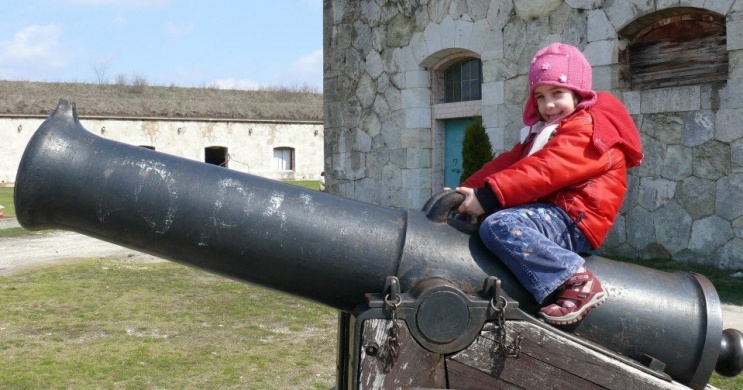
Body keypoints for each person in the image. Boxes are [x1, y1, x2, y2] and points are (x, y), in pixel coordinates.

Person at [455, 42, 643, 325]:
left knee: (500, 225)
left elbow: (548, 169)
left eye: (558, 93)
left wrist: (490, 195)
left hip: (575, 219)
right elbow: (509, 162)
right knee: (491, 222)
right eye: (540, 97)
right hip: (553, 213)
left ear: (578, 93)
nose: (549, 105)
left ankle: (576, 281)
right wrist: (466, 190)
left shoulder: (591, 129)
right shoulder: (544, 132)